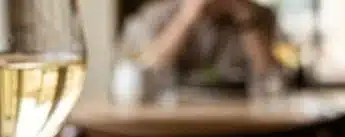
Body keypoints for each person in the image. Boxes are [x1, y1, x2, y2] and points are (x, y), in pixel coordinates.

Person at [119, 0, 280, 88]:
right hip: (171, 117)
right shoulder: (155, 15)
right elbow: (147, 67)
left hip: (245, 118)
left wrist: (247, 21)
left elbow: (272, 79)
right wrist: (186, 19)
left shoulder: (261, 17)